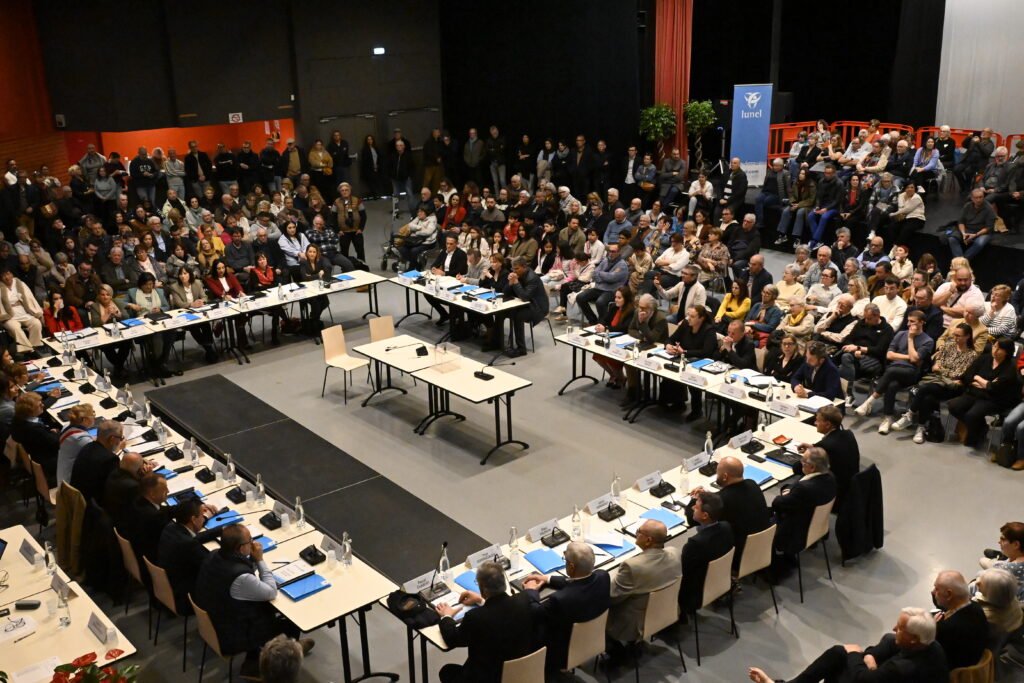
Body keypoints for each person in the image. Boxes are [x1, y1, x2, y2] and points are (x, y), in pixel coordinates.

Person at [195, 524, 312, 677]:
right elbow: (271, 591)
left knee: (264, 608)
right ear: (240, 548)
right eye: (249, 541)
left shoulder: (215, 555)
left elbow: (244, 571)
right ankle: (280, 659)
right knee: (290, 622)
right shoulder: (240, 577)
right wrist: (260, 560)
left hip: (215, 622)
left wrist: (253, 560)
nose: (252, 543)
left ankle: (259, 658)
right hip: (231, 635)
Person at [747, 607, 948, 683]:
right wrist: (868, 657)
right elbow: (884, 643)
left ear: (913, 638)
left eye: (901, 628)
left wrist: (854, 654)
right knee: (838, 653)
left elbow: (863, 679)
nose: (895, 628)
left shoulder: (902, 668)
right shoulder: (930, 645)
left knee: (840, 666)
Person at [434, 561, 535, 683]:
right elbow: (499, 613)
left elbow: (453, 639)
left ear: (482, 588)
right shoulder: (523, 600)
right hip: (520, 672)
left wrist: (446, 616)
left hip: (488, 677)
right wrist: (481, 600)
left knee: (447, 671)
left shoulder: (475, 617)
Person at [521, 542, 611, 674]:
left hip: (563, 652)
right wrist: (547, 579)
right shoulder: (603, 576)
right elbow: (579, 583)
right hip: (593, 640)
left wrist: (530, 591)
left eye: (565, 560)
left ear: (571, 567)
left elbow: (535, 611)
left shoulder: (561, 599)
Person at [606, 520, 681, 652]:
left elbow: (612, 598)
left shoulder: (632, 566)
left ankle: (617, 653)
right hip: (667, 612)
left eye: (638, 532)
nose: (636, 534)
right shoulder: (675, 553)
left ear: (648, 540)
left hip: (632, 625)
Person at [854, 310, 934, 434]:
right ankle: (888, 417)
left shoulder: (928, 340)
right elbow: (889, 355)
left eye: (912, 321)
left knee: (891, 372)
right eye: (908, 321)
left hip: (912, 373)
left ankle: (869, 402)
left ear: (922, 323)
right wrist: (910, 357)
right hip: (895, 369)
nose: (908, 324)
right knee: (892, 384)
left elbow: (915, 360)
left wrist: (911, 338)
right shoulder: (900, 334)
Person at [948, 337, 1021, 448]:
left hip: (993, 399)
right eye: (994, 347)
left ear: (1007, 352)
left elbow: (995, 388)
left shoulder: (1010, 368)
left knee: (972, 415)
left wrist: (978, 378)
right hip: (975, 393)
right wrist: (985, 383)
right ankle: (982, 427)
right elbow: (968, 375)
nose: (995, 350)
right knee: (954, 406)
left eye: (999, 349)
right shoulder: (984, 358)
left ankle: (974, 438)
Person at [771, 447, 837, 567]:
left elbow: (777, 504)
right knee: (786, 489)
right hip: (816, 524)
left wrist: (786, 494)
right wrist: (790, 492)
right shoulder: (830, 477)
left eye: (803, 461)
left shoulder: (804, 488)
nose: (801, 462)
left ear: (812, 467)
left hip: (796, 532)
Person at [157, 497, 221, 614]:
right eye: (201, 516)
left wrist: (221, 530)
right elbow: (212, 565)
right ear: (193, 519)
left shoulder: (171, 528)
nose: (203, 519)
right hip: (187, 596)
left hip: (170, 585)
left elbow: (194, 537)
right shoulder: (188, 544)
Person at [678, 491, 734, 613]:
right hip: (722, 580)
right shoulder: (726, 527)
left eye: (696, 507)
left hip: (697, 592)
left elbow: (683, 572)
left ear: (705, 515)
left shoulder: (695, 543)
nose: (693, 508)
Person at [796, 406, 860, 508]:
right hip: (851, 489)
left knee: (797, 485)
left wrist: (807, 455)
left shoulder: (826, 446)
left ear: (827, 424)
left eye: (817, 420)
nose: (815, 423)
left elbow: (798, 468)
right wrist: (813, 447)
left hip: (835, 496)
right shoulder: (848, 434)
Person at [664, 305, 719, 417]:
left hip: (701, 362)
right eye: (689, 315)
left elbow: (707, 352)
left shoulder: (709, 330)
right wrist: (668, 345)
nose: (689, 318)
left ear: (701, 318)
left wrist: (685, 352)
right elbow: (671, 338)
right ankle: (678, 402)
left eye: (692, 316)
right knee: (670, 371)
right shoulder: (685, 324)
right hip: (684, 358)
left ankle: (697, 410)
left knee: (691, 377)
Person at [488, 256, 549, 357]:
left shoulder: (532, 278)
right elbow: (505, 293)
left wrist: (516, 282)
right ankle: (496, 342)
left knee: (518, 316)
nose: (514, 271)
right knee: (500, 312)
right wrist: (510, 283)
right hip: (522, 304)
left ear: (524, 267)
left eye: (517, 269)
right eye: (513, 269)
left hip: (537, 307)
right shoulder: (516, 274)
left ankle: (521, 349)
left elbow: (525, 297)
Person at [834, 303, 894, 404]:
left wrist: (860, 349)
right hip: (855, 354)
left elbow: (880, 350)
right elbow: (848, 339)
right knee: (844, 357)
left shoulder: (887, 329)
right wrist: (854, 348)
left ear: (877, 316)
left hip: (875, 359)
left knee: (845, 361)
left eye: (869, 318)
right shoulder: (861, 323)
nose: (866, 320)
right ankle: (847, 393)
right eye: (865, 318)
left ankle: (847, 393)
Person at [930, 570, 990, 670]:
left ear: (949, 594)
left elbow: (934, 654)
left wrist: (934, 627)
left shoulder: (946, 628)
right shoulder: (976, 607)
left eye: (936, 589)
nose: (932, 592)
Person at [70, 420, 129, 505]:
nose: (120, 441)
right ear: (112, 439)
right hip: (93, 506)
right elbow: (115, 488)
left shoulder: (87, 447)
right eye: (120, 438)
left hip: (77, 500)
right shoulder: (110, 459)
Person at [576, 242, 628, 324]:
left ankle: (603, 324)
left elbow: (612, 278)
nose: (610, 253)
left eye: (613, 251)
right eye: (609, 251)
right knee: (580, 297)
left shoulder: (622, 265)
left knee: (600, 302)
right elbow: (594, 274)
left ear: (619, 252)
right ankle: (593, 321)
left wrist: (600, 274)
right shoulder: (606, 260)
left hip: (612, 290)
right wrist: (604, 277)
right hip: (599, 288)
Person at [11, 392, 58, 482]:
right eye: (39, 405)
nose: (43, 405)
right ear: (30, 411)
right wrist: (58, 432)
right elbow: (56, 443)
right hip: (48, 461)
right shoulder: (34, 429)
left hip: (35, 452)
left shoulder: (18, 418)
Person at [0, 267, 44, 359]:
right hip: (9, 316)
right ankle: (28, 351)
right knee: (15, 328)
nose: (7, 277)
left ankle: (34, 347)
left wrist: (29, 307)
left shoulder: (20, 283)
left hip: (23, 312)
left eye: (8, 274)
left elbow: (29, 297)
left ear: (11, 274)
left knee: (36, 323)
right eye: (4, 276)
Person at [973, 568, 1024, 641]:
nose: (977, 582)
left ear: (992, 593)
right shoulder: (1009, 596)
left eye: (981, 583)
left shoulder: (984, 615)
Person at [949, 189, 996, 260]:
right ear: (972, 198)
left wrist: (976, 235)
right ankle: (960, 261)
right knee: (952, 239)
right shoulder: (967, 206)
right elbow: (961, 222)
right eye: (976, 198)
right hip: (968, 229)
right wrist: (963, 233)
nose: (979, 200)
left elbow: (989, 227)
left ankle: (962, 261)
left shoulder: (989, 209)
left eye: (980, 197)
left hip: (982, 232)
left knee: (979, 243)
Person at [56, 403, 95, 486]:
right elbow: (99, 455)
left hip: (62, 475)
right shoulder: (81, 439)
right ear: (84, 420)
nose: (94, 416)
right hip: (70, 485)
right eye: (92, 414)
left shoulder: (67, 426)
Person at [715, 157, 748, 222]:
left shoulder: (742, 175)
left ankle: (727, 227)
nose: (732, 164)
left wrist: (728, 201)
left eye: (734, 163)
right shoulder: (726, 172)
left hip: (734, 200)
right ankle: (717, 228)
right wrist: (720, 198)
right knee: (717, 213)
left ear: (739, 164)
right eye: (731, 163)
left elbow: (741, 192)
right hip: (723, 198)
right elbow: (719, 186)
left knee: (727, 213)